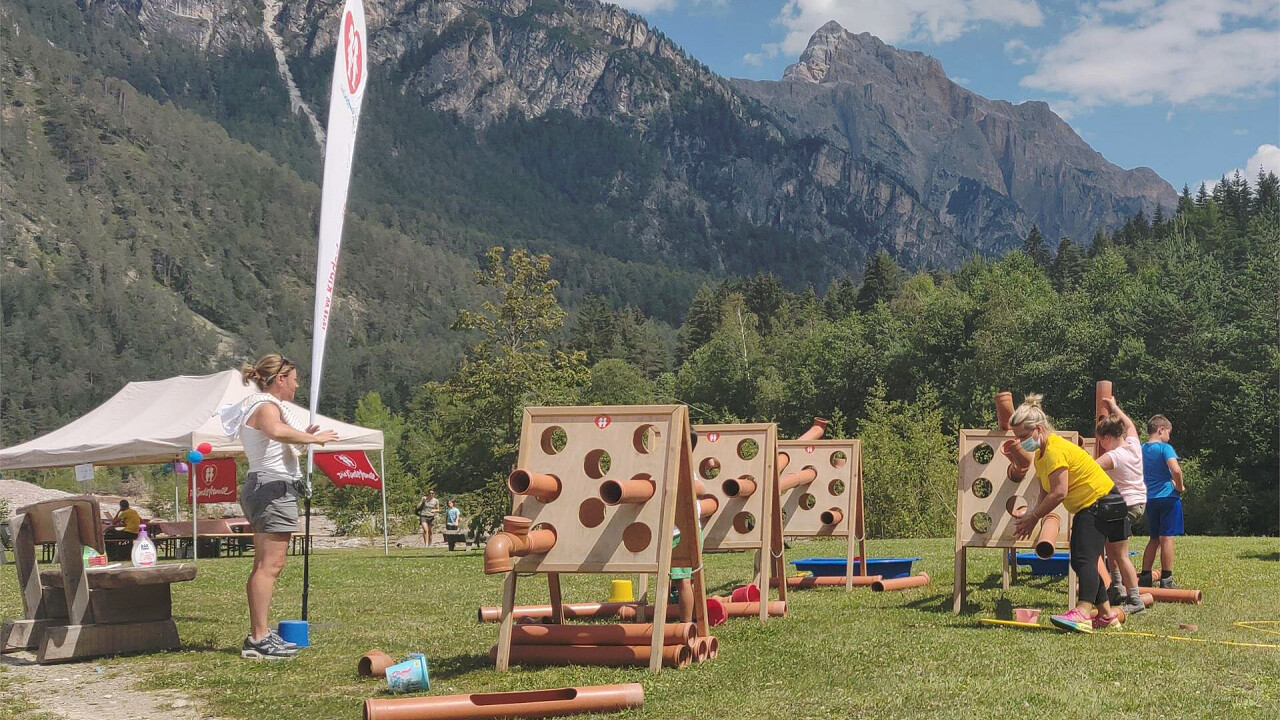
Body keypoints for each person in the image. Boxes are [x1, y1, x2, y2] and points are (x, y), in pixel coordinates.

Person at [224, 354, 337, 660]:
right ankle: (259, 638)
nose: (298, 385)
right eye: (295, 378)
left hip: (265, 485)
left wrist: (304, 438)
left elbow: (278, 436)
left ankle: (259, 635)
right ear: (281, 379)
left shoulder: (260, 405)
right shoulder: (266, 407)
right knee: (269, 566)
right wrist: (315, 440)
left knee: (265, 565)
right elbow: (275, 431)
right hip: (272, 488)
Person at [1010, 394, 1128, 633]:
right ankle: (1105, 614)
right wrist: (1034, 514)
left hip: (1100, 503)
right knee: (1080, 559)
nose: (1021, 442)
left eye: (1023, 436)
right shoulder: (1041, 456)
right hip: (1090, 505)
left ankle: (1083, 612)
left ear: (1038, 429)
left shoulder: (1055, 450)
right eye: (1018, 437)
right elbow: (1046, 488)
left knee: (1085, 559)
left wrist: (1033, 518)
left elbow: (1060, 492)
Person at [1095, 397, 1147, 615]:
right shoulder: (1133, 445)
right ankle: (1117, 588)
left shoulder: (1113, 456)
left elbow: (1089, 469)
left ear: (1107, 438)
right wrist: (1115, 406)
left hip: (1124, 507)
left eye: (1101, 441)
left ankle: (1135, 599)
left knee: (1120, 553)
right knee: (1111, 544)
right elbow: (1131, 425)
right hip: (1138, 503)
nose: (1100, 445)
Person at [1140, 414, 1184, 589]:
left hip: (1150, 498)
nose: (1169, 437)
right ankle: (1166, 579)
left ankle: (1145, 575)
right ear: (1161, 430)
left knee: (1154, 538)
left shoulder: (1142, 448)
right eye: (1168, 433)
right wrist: (1179, 487)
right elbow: (1176, 470)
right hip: (1168, 497)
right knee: (1167, 538)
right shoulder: (1165, 448)